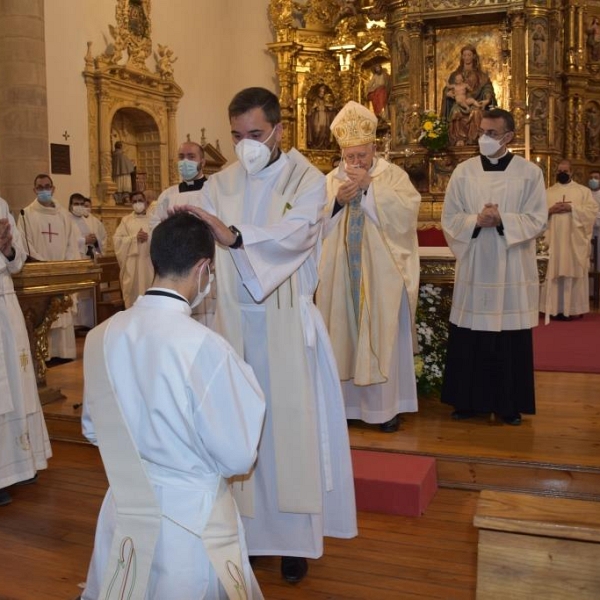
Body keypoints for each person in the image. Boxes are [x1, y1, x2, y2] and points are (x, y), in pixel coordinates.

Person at [177, 87, 357, 584]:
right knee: (241, 433)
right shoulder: (222, 182)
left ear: (279, 130)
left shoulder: (308, 179)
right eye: (236, 135)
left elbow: (298, 235)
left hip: (285, 327)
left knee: (288, 434)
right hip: (232, 326)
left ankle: (295, 543)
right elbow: (204, 246)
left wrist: (233, 236)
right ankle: (250, 538)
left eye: (254, 134)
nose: (245, 145)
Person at [80, 212, 266, 600]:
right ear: (203, 269)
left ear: (154, 259)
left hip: (125, 510)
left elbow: (94, 428)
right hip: (190, 523)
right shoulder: (206, 348)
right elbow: (237, 456)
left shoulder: (100, 337)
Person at [316, 100, 421, 433]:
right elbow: (310, 223)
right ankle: (345, 407)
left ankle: (384, 409)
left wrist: (370, 190)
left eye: (361, 156)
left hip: (381, 279)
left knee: (380, 333)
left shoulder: (392, 176)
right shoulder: (329, 181)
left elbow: (407, 213)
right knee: (341, 335)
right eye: (350, 157)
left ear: (374, 148)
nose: (356, 163)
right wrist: (337, 203)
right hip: (338, 276)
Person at [441, 108, 547, 426]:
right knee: (471, 334)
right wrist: (476, 219)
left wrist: (503, 220)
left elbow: (537, 218)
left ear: (508, 137)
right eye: (481, 132)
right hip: (476, 264)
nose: (483, 138)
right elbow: (450, 216)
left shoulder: (530, 174)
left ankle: (508, 404)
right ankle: (467, 401)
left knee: (509, 336)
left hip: (511, 265)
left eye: (491, 133)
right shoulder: (464, 171)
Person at [0, 198, 52, 507]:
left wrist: (6, 249)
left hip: (6, 304)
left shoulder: (1, 204)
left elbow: (18, 261)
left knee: (17, 383)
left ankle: (20, 462)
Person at [17, 174, 79, 360]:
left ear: (53, 188)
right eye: (40, 187)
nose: (44, 190)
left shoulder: (63, 215)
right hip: (42, 272)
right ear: (34, 190)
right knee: (43, 311)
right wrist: (45, 266)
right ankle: (45, 355)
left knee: (63, 309)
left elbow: (71, 243)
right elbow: (25, 245)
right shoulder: (26, 214)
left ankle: (63, 353)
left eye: (47, 186)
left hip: (61, 271)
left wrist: (65, 266)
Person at [539, 159, 598, 321]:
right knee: (553, 270)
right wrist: (551, 210)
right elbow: (537, 216)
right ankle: (552, 308)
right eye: (559, 171)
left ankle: (571, 309)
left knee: (571, 270)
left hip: (573, 241)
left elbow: (592, 212)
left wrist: (571, 208)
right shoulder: (548, 192)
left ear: (571, 172)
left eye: (565, 171)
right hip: (553, 242)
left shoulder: (582, 192)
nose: (562, 174)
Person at [442, 44, 496, 146]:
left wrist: (487, 99)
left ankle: (475, 139)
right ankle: (459, 138)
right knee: (456, 111)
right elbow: (448, 88)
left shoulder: (481, 75)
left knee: (476, 112)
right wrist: (448, 93)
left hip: (474, 103)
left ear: (474, 56)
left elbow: (487, 87)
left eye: (469, 55)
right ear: (462, 57)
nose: (467, 57)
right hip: (459, 102)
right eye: (465, 55)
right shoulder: (455, 75)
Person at [68, 193, 107, 330]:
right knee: (76, 294)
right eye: (75, 204)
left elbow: (99, 240)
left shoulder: (88, 221)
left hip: (88, 259)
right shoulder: (66, 220)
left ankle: (88, 322)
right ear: (70, 205)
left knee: (88, 294)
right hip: (74, 260)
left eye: (81, 203)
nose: (79, 206)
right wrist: (84, 241)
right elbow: (66, 241)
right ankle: (75, 324)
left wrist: (94, 242)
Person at [149, 141, 207, 230]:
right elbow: (155, 224)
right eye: (181, 157)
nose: (185, 161)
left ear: (202, 163)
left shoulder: (214, 190)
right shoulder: (168, 194)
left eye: (191, 157)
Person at [113, 190, 154, 308]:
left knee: (150, 295)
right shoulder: (126, 220)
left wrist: (148, 237)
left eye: (140, 200)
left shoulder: (153, 219)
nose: (137, 203)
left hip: (149, 264)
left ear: (146, 202)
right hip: (132, 266)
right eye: (134, 201)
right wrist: (135, 239)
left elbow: (160, 238)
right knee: (133, 298)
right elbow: (117, 240)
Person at [307, 84, 335, 149]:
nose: (322, 93)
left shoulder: (326, 99)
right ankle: (316, 145)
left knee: (325, 130)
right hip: (317, 117)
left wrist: (329, 106)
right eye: (321, 91)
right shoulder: (315, 99)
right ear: (319, 92)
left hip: (325, 117)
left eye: (323, 91)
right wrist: (314, 107)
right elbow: (310, 110)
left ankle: (324, 145)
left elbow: (331, 108)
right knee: (317, 131)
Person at [588, 170, 600, 270]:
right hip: (586, 233)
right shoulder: (585, 194)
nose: (593, 180)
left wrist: (591, 216)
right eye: (591, 177)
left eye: (596, 178)